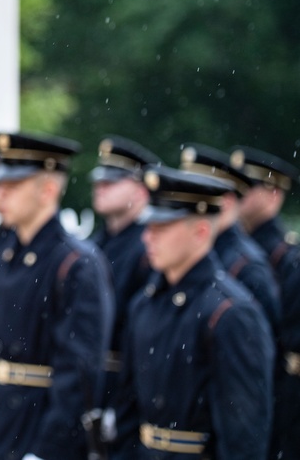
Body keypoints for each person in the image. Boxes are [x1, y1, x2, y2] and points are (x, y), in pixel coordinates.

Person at [0, 132, 114, 460]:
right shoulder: (3, 254)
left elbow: (79, 374)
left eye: (13, 185)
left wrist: (47, 450)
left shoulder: (76, 264)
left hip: (39, 426)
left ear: (48, 190)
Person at [113, 166, 274, 459]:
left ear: (200, 232)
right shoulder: (144, 303)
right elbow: (127, 409)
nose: (148, 239)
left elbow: (243, 435)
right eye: (148, 227)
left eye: (161, 229)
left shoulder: (230, 313)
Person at [87, 135, 162, 423]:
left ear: (142, 190)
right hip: (94, 381)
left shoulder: (149, 250)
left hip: (127, 386)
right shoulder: (97, 243)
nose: (100, 188)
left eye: (112, 182)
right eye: (99, 181)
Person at [233, 145, 300, 460]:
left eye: (250, 185)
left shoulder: (287, 258)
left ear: (274, 194)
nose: (239, 192)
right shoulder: (234, 248)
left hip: (281, 393)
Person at [179, 143, 281, 333]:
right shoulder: (185, 249)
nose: (183, 206)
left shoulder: (247, 266)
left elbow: (262, 345)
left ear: (225, 202)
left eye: (195, 197)